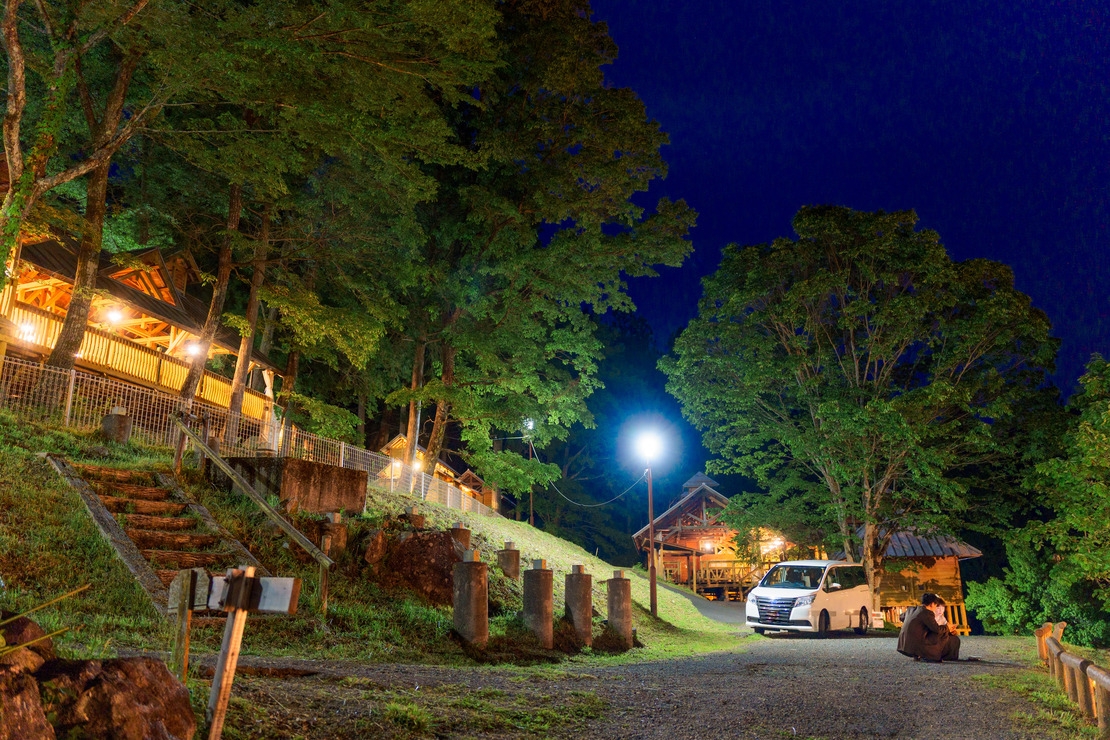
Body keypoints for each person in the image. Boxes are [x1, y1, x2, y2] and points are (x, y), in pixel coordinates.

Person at [897, 592, 961, 662]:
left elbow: (901, 617)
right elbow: (937, 629)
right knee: (943, 633)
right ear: (932, 604)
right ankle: (930, 656)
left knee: (943, 633)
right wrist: (948, 627)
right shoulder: (927, 613)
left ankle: (920, 655)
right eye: (936, 605)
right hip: (916, 645)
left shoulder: (911, 609)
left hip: (904, 645)